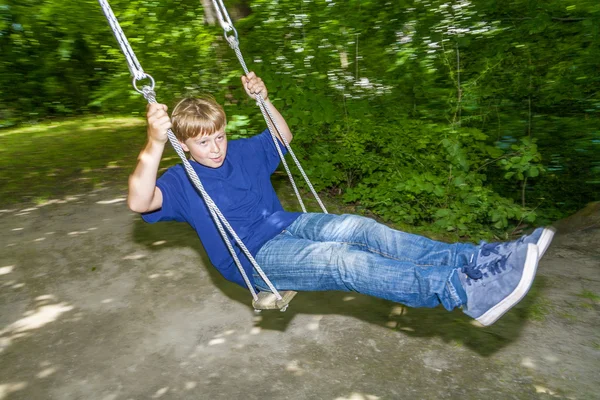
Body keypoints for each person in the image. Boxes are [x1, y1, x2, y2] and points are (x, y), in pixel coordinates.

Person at [127, 72, 555, 326]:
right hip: (255, 258)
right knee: (341, 259)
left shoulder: (239, 150)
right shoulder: (182, 180)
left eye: (219, 136)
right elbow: (139, 202)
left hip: (285, 224)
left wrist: (264, 99)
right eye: (203, 143)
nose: (216, 149)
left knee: (360, 227)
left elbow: (282, 136)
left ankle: (479, 259)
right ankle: (463, 291)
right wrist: (153, 142)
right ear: (183, 144)